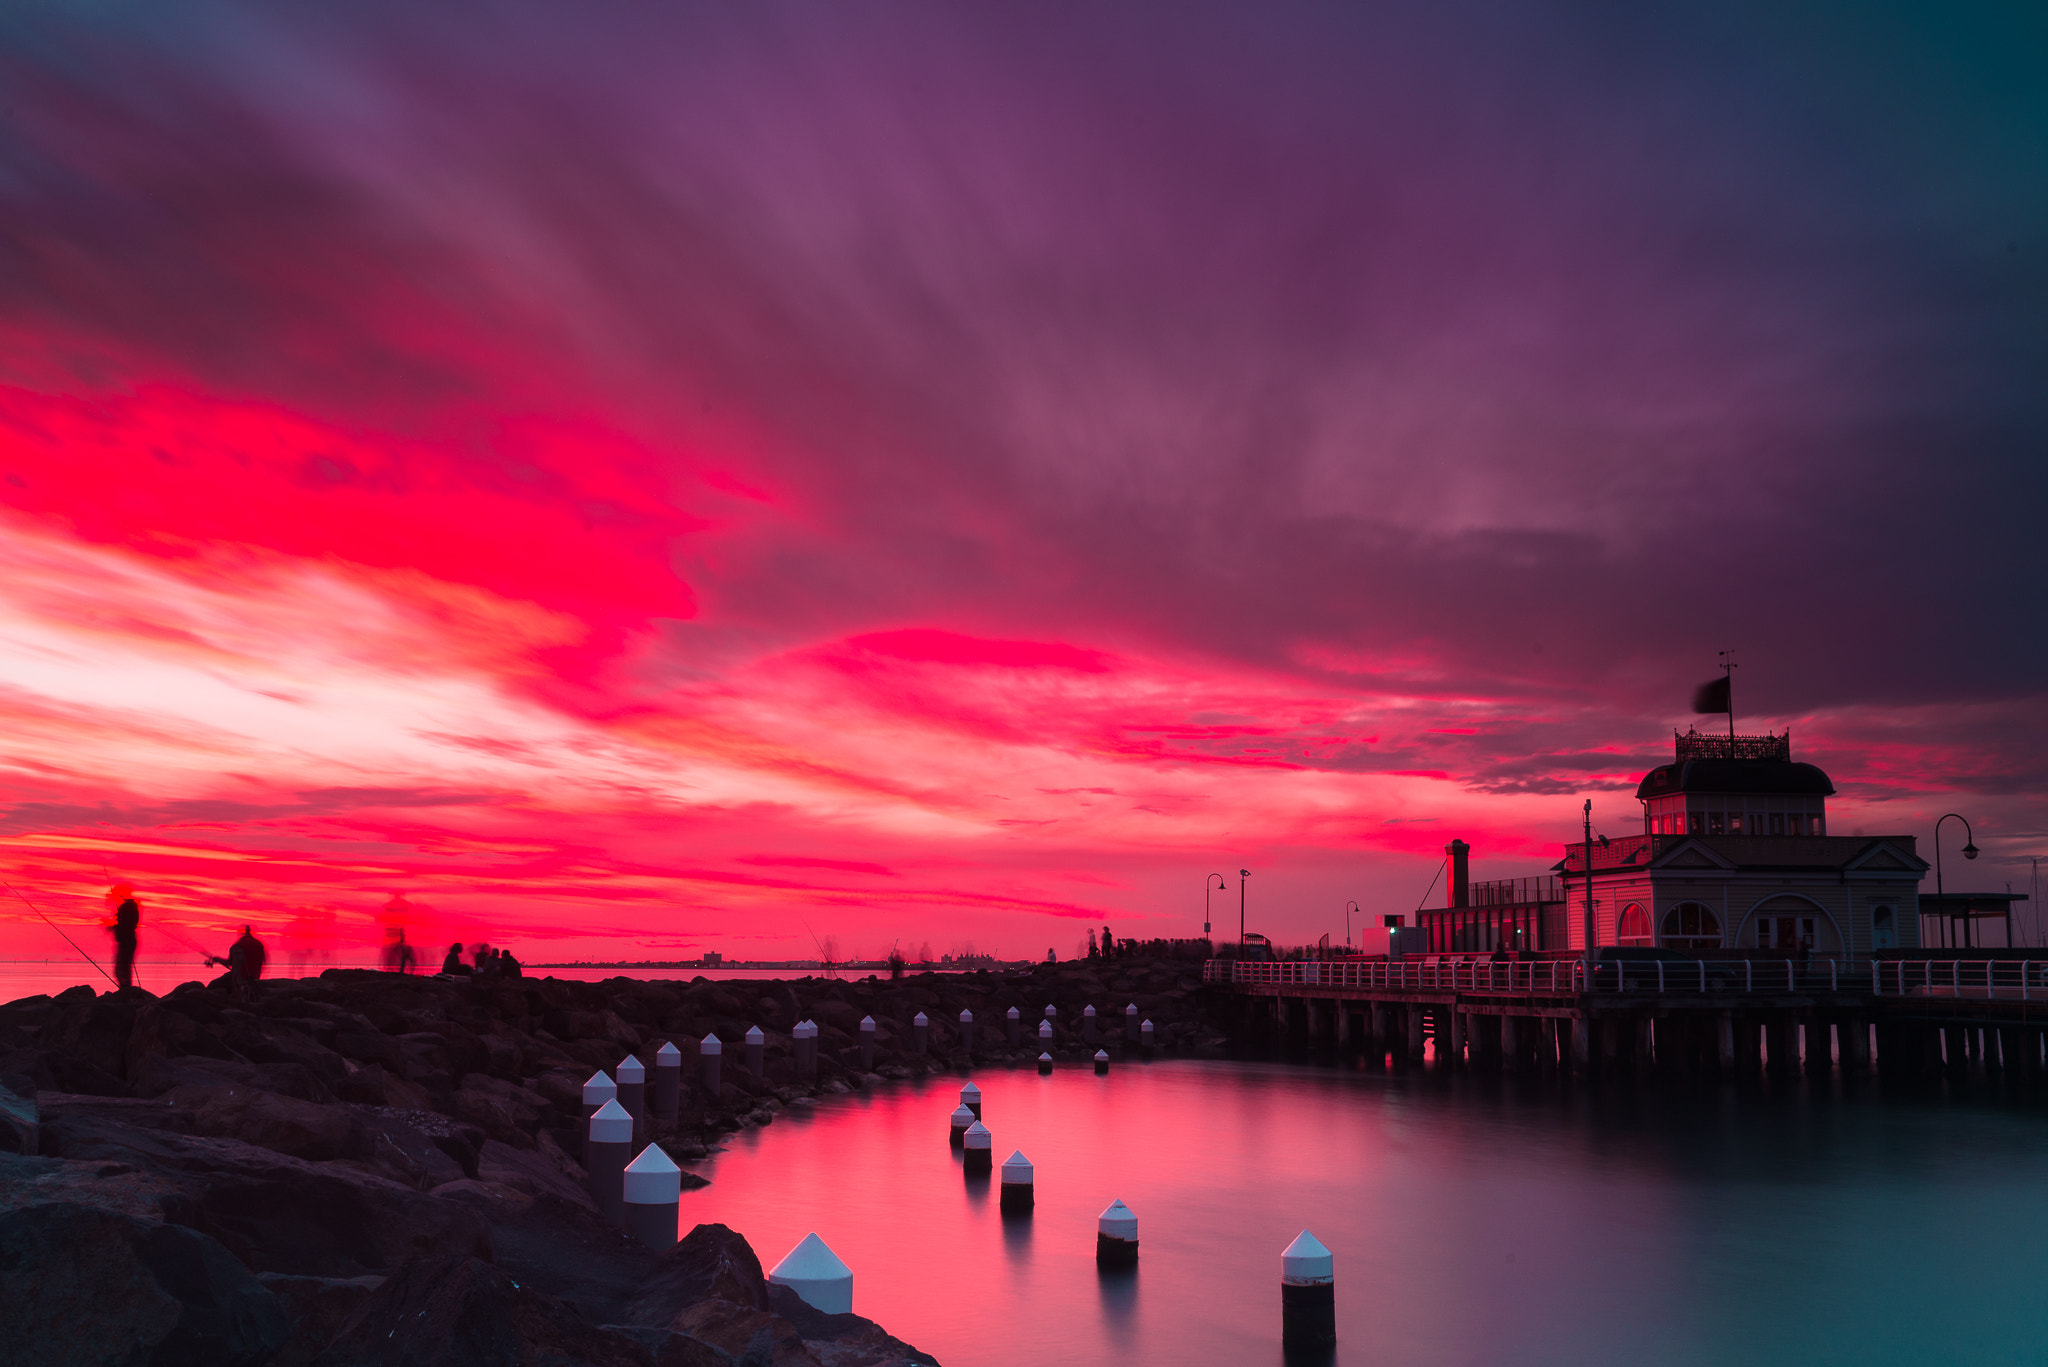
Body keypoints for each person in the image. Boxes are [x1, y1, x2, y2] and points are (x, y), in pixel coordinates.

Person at [208, 925, 267, 1002]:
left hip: (239, 979)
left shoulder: (238, 946)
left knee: (213, 985)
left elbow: (229, 962)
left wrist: (217, 959)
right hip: (254, 979)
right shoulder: (259, 945)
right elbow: (263, 963)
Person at [109, 894, 140, 991]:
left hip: (126, 941)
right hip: (128, 941)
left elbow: (125, 927)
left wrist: (117, 927)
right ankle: (125, 989)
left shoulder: (128, 914)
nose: (117, 917)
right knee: (122, 968)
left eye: (118, 915)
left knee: (122, 968)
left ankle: (125, 990)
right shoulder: (130, 912)